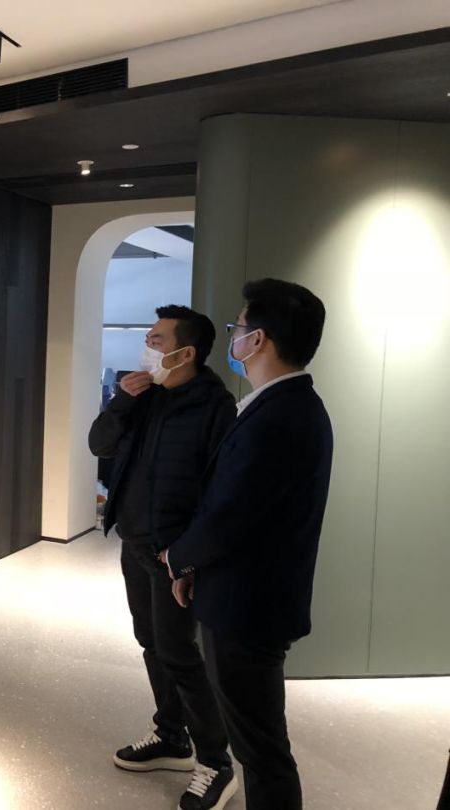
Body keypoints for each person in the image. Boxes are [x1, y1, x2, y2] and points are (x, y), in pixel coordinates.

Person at [164, 279, 333, 810]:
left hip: (248, 609)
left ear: (257, 339)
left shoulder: (280, 416)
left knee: (260, 751)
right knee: (257, 743)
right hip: (242, 596)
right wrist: (197, 567)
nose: (233, 336)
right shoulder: (282, 406)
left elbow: (228, 516)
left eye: (238, 327)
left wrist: (178, 557)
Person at [89, 305, 238, 810]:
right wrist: (121, 403)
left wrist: (190, 556)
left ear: (185, 352)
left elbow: (220, 492)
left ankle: (216, 761)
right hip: (134, 542)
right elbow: (99, 445)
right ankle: (172, 736)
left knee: (178, 652)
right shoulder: (143, 395)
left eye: (156, 340)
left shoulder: (215, 406)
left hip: (174, 554)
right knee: (151, 642)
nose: (147, 347)